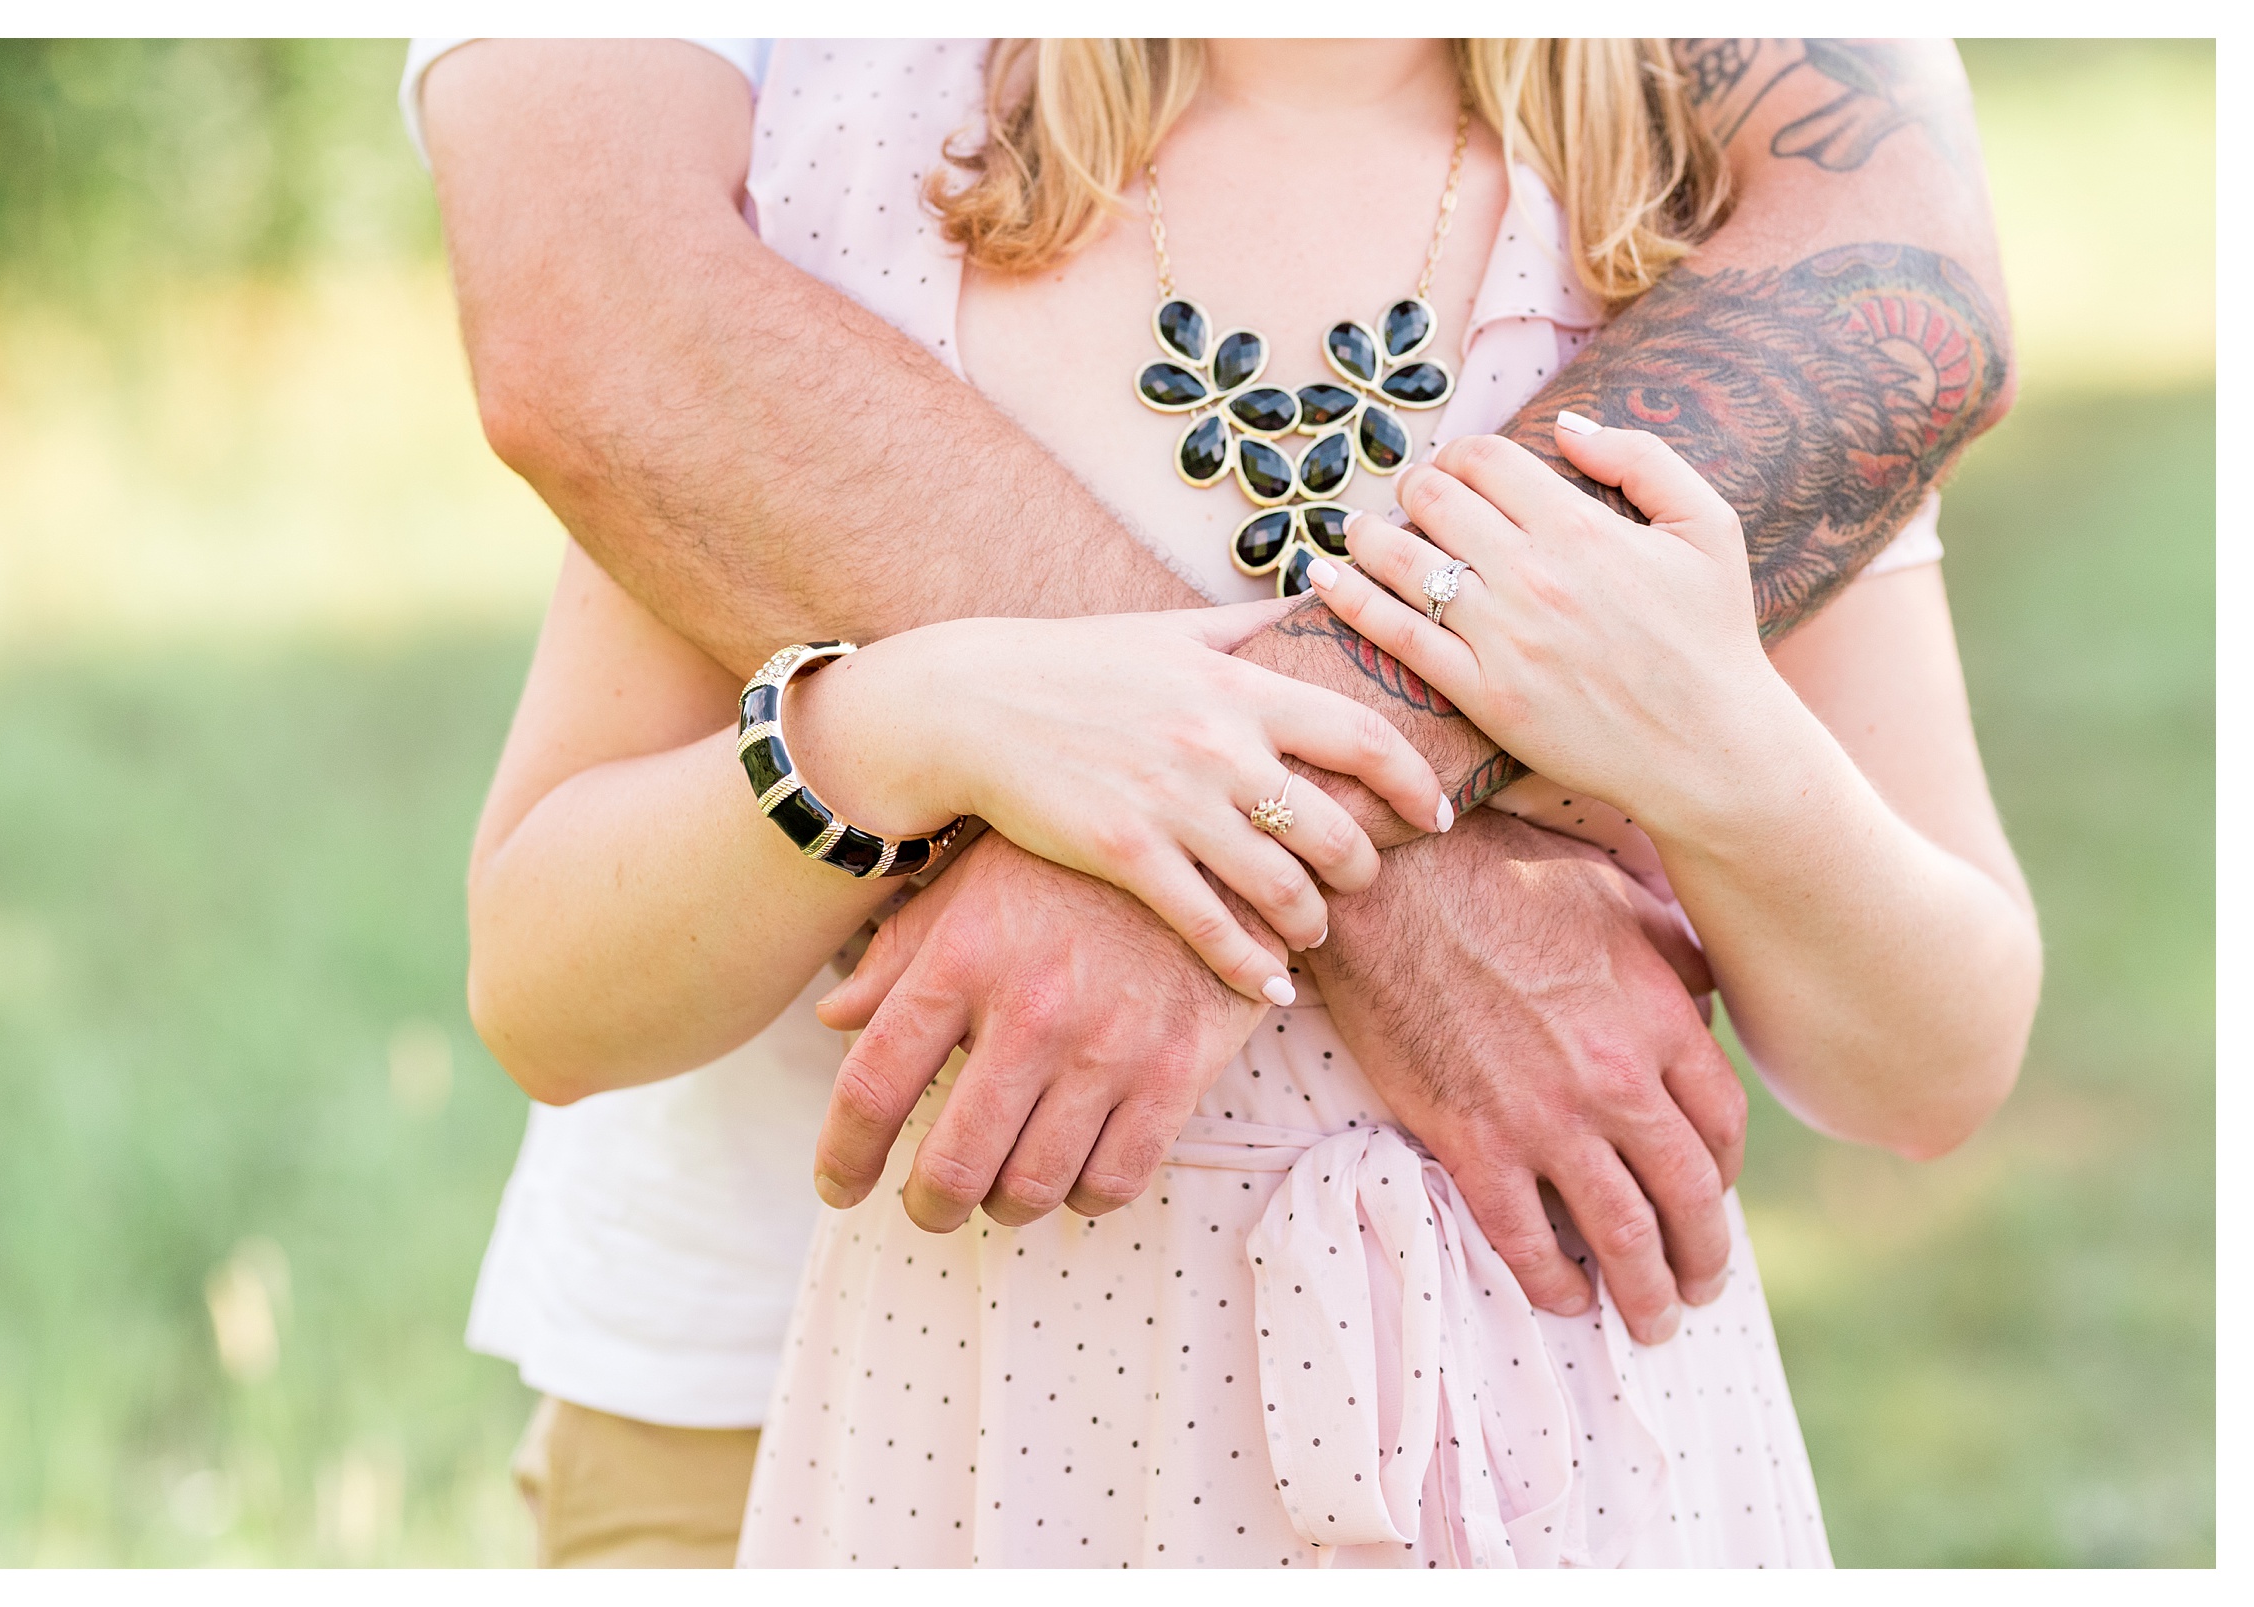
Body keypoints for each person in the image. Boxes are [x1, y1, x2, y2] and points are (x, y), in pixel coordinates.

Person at [414, 37, 2028, 1565]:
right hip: (973, 1458)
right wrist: (910, 719)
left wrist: (1721, 750)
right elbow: (547, 987)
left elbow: (1933, 1057)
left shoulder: (1691, 235)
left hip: (1554, 1462)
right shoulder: (855, 185)